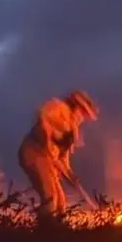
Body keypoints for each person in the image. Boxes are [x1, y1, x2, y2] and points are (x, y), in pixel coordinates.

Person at [18, 89, 100, 224]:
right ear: (76, 106)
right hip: (34, 153)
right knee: (50, 197)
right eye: (83, 112)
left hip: (48, 159)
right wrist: (47, 139)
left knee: (61, 201)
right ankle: (45, 231)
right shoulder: (58, 108)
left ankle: (58, 230)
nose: (83, 118)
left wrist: (70, 175)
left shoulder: (72, 129)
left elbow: (62, 157)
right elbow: (42, 119)